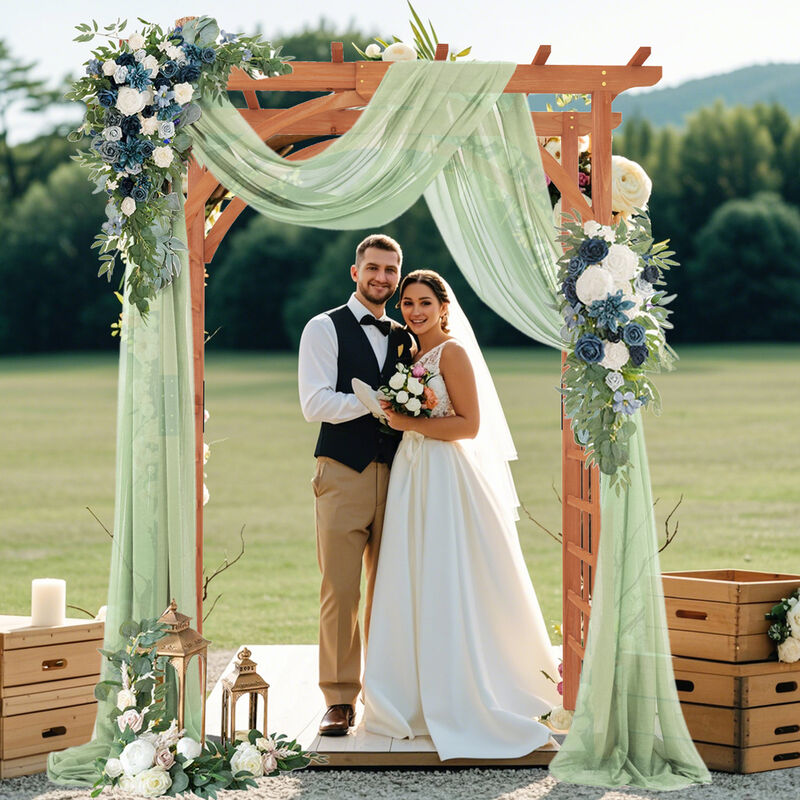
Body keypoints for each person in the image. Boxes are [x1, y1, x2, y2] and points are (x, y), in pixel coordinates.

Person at [362, 269, 560, 760]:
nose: (414, 311)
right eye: (407, 303)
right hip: (414, 469)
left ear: (444, 307)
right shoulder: (412, 354)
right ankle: (411, 689)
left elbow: (469, 425)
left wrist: (402, 419)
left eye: (424, 302)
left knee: (448, 572)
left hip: (445, 474)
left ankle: (469, 686)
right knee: (413, 573)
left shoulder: (452, 352)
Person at [298, 234, 415, 736]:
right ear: (354, 272)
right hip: (342, 473)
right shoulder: (323, 328)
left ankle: (389, 693)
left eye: (391, 270)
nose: (382, 278)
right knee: (341, 591)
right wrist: (374, 403)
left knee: (393, 589)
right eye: (373, 268)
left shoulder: (407, 335)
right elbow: (315, 403)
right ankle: (340, 699)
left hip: (399, 475)